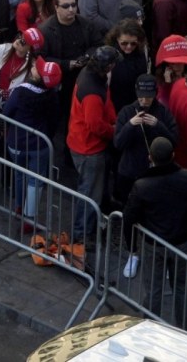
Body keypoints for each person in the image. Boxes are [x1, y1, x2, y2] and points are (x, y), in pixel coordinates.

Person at [123, 137, 187, 326]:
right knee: (184, 288)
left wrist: (132, 246)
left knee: (153, 290)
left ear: (150, 157)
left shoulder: (142, 185)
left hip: (153, 245)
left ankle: (150, 329)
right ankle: (185, 330)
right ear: (173, 155)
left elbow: (129, 217)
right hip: (182, 243)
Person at [66, 45, 119, 245]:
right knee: (89, 195)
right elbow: (95, 125)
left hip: (82, 142)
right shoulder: (92, 92)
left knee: (90, 190)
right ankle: (81, 235)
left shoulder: (89, 76)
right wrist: (115, 131)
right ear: (109, 66)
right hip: (89, 149)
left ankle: (87, 228)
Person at [3, 56, 60, 228]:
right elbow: (54, 121)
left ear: (39, 77)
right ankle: (29, 218)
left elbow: (6, 113)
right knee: (35, 181)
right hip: (41, 145)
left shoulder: (20, 92)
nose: (34, 66)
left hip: (17, 143)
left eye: (37, 68)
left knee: (20, 175)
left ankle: (20, 208)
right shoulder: (52, 95)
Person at [113, 74, 179, 207]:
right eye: (141, 96)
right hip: (130, 171)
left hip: (154, 172)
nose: (144, 101)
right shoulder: (127, 112)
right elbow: (118, 144)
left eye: (148, 97)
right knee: (128, 207)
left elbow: (174, 142)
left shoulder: (163, 112)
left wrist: (158, 125)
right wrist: (130, 125)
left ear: (155, 94)